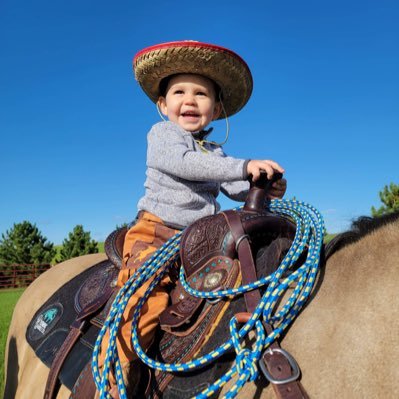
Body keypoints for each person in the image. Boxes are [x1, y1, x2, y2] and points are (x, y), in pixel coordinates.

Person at [97, 40, 287, 398]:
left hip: (199, 237)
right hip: (155, 231)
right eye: (179, 91)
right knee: (144, 301)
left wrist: (260, 184)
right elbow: (188, 165)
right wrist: (244, 166)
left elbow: (230, 183)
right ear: (162, 105)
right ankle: (115, 377)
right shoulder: (163, 136)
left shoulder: (213, 151)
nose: (189, 100)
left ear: (215, 109)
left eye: (201, 94)